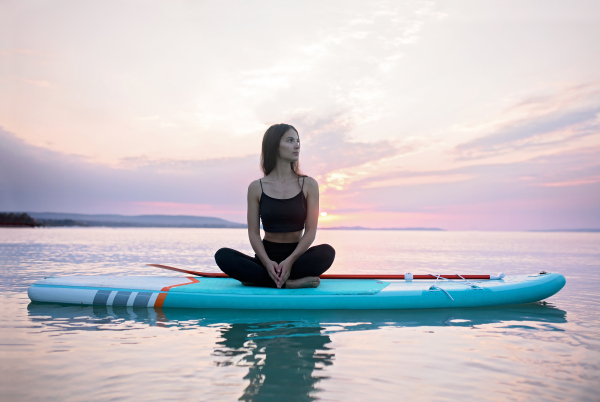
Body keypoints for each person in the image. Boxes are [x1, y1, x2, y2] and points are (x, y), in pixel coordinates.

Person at [214, 123, 335, 289]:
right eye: (290, 140)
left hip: (297, 257)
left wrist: (290, 261)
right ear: (274, 145)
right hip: (265, 258)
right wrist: (267, 262)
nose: (297, 145)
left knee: (327, 252)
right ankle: (289, 283)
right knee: (223, 256)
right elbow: (254, 233)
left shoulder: (309, 184)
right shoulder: (256, 187)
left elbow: (311, 231)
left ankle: (261, 280)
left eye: (298, 141)